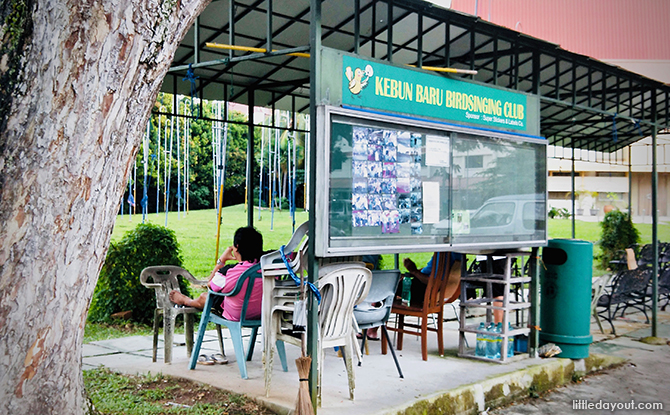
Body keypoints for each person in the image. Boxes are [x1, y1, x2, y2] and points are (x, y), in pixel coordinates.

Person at [169, 226, 264, 323]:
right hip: (263, 312)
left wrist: (221, 261)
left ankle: (187, 301)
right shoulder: (270, 267)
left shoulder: (230, 271)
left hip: (238, 314)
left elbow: (210, 285)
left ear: (237, 247)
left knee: (207, 296)